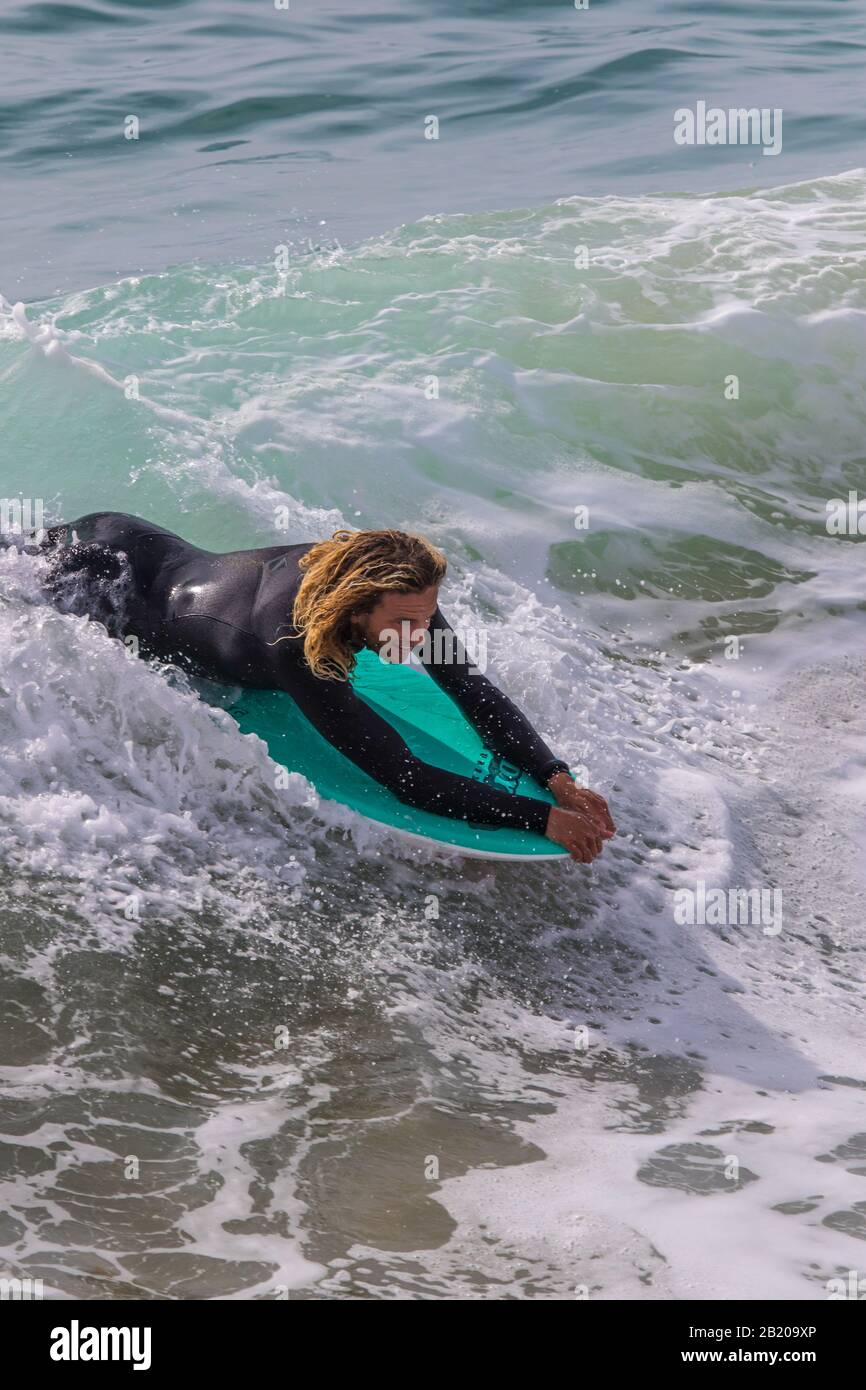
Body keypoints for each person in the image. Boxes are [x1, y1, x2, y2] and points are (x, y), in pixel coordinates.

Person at [31, 513, 615, 862]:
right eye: (406, 625)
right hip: (102, 579)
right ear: (354, 609)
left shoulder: (393, 589)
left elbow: (468, 687)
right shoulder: (291, 641)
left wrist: (553, 775)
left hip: (151, 546)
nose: (421, 637)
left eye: (428, 617)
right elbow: (400, 773)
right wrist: (539, 820)